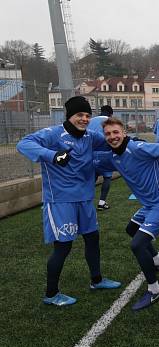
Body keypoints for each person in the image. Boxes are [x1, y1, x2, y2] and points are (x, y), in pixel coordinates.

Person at [16, 96, 121, 306]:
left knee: (92, 239)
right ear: (69, 116)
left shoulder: (90, 136)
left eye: (87, 115)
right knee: (63, 247)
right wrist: (53, 155)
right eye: (79, 115)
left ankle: (97, 280)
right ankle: (51, 294)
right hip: (60, 201)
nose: (84, 119)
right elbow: (23, 144)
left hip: (85, 199)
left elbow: (112, 142)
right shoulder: (54, 134)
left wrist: (135, 144)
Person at [96, 117, 159, 311]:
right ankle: (158, 262)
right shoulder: (114, 156)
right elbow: (94, 161)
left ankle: (154, 289)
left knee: (137, 244)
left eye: (116, 132)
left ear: (123, 132)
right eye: (108, 134)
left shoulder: (138, 147)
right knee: (132, 228)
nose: (112, 137)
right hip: (149, 205)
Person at [88, 105, 114, 211]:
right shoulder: (111, 121)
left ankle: (86, 202)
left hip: (90, 154)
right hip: (105, 153)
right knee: (107, 177)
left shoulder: (90, 121)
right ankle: (101, 202)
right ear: (110, 114)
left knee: (91, 179)